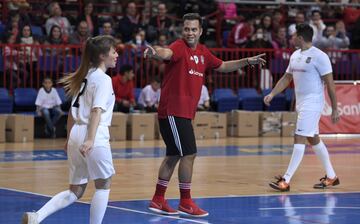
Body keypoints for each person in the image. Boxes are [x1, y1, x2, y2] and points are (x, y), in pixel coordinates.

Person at [144, 13, 266, 217]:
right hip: (173, 110)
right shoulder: (178, 47)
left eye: (193, 29)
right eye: (186, 29)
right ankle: (185, 201)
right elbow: (165, 53)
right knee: (189, 153)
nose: (189, 32)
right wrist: (155, 52)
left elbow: (224, 66)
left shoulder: (203, 52)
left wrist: (247, 61)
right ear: (182, 30)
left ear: (200, 31)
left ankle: (158, 199)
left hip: (183, 113)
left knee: (173, 155)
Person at [22, 35, 118, 224]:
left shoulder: (84, 77)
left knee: (76, 190)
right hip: (94, 134)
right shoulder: (103, 79)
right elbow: (96, 110)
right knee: (103, 185)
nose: (117, 55)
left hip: (76, 134)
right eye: (114, 51)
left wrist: (69, 139)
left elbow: (72, 114)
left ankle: (37, 216)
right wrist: (90, 139)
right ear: (102, 56)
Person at [264, 24, 340, 192]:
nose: (291, 38)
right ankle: (332, 176)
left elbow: (330, 84)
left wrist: (335, 108)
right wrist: (272, 94)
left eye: (293, 36)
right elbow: (286, 78)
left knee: (299, 137)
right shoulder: (295, 55)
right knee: (313, 139)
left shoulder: (320, 57)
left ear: (300, 37)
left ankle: (286, 180)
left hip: (313, 103)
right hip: (301, 103)